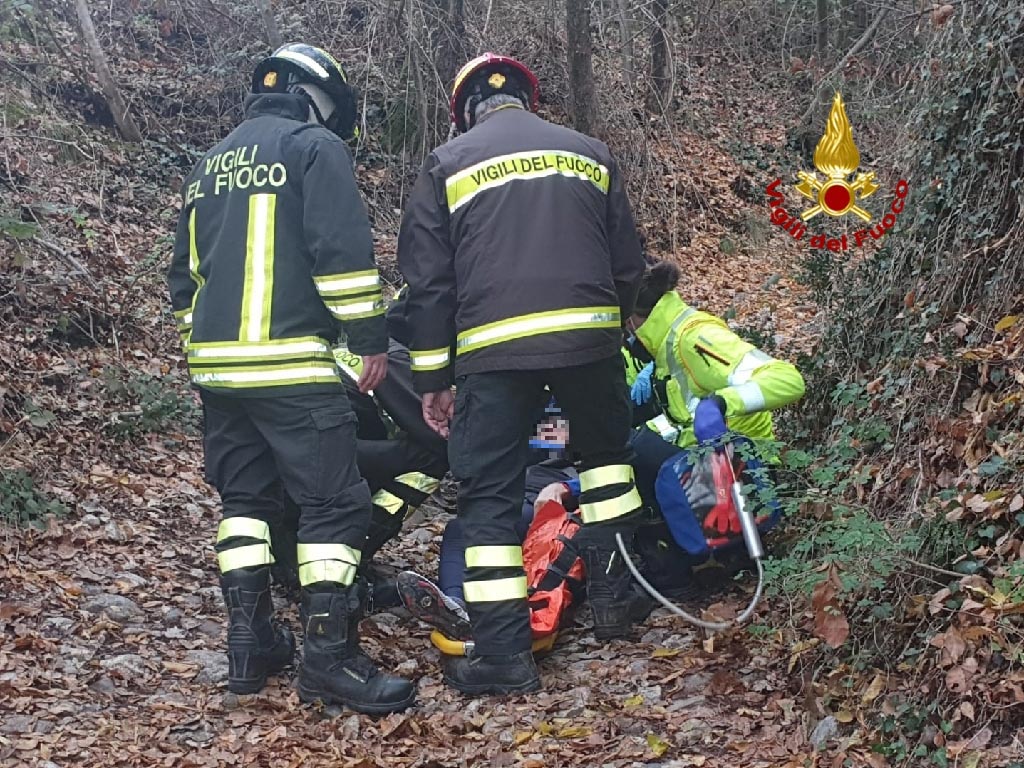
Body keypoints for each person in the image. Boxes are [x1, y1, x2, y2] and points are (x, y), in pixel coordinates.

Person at [167, 42, 414, 714]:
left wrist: (201, 358)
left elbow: (183, 280)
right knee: (334, 506)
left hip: (219, 373)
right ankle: (329, 661)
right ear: (322, 96)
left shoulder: (209, 162)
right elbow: (341, 258)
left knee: (244, 506)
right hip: (294, 369)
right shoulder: (314, 148)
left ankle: (250, 647)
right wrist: (369, 341)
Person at [396, 51, 650, 695]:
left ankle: (504, 655)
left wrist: (433, 380)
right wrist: (609, 334)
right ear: (527, 101)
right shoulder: (588, 153)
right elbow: (629, 262)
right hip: (587, 345)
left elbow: (428, 286)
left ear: (465, 111)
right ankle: (618, 607)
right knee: (607, 468)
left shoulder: (447, 165)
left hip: (493, 354)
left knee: (486, 496)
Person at [622, 260, 805, 518]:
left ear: (631, 320)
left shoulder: (695, 338)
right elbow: (682, 419)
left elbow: (787, 379)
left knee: (636, 452)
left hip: (743, 475)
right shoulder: (665, 350)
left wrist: (720, 403)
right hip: (710, 466)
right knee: (630, 449)